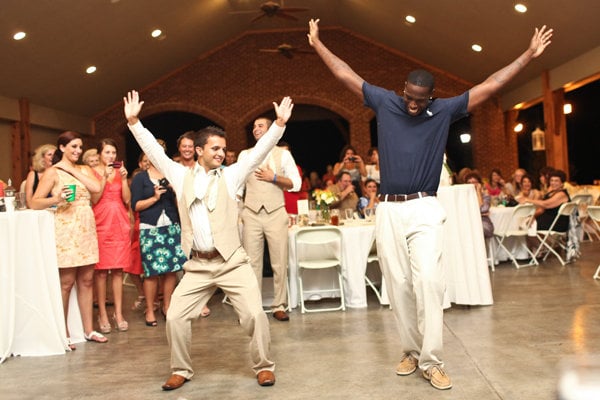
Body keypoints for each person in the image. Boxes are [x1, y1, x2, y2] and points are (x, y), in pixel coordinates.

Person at [308, 18, 552, 390]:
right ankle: (410, 350)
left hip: (424, 207)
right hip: (388, 208)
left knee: (429, 280)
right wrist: (318, 45)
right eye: (408, 96)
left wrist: (529, 55)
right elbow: (346, 75)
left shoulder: (444, 111)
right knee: (398, 284)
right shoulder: (386, 101)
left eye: (419, 100)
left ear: (431, 98)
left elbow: (491, 84)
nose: (411, 104)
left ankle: (432, 360)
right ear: (401, 90)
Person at [124, 90, 293, 391]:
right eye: (215, 148)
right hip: (198, 265)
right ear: (199, 150)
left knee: (255, 314)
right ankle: (180, 369)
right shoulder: (179, 175)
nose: (221, 153)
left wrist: (279, 124)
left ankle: (264, 366)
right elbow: (154, 152)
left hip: (231, 262)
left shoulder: (232, 175)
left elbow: (257, 153)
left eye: (223, 148)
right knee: (175, 317)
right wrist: (135, 121)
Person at [30, 131, 107, 347]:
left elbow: (96, 190)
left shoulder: (83, 169)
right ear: (62, 148)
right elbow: (34, 202)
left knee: (87, 280)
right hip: (65, 226)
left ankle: (88, 330)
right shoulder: (52, 172)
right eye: (73, 147)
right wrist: (56, 198)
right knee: (66, 282)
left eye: (80, 147)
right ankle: (62, 334)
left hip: (86, 226)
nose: (78, 151)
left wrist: (70, 169)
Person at [238, 122, 301, 322]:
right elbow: (238, 186)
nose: (256, 128)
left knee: (279, 262)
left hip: (276, 212)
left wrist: (273, 177)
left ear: (271, 129)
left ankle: (279, 305)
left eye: (261, 125)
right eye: (254, 126)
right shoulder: (245, 155)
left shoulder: (283, 154)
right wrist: (238, 212)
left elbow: (295, 183)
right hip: (251, 213)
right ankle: (253, 308)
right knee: (251, 263)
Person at [130, 144, 185, 327]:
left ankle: (167, 306)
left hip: (171, 226)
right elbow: (135, 206)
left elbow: (182, 204)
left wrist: (175, 189)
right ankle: (150, 309)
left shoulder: (171, 175)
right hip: (149, 228)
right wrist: (154, 197)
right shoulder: (140, 178)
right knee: (151, 271)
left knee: (171, 270)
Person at [91, 139, 132, 334]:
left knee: (117, 270)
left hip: (119, 222)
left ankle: (118, 313)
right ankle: (102, 314)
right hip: (100, 221)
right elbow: (94, 198)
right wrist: (103, 178)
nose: (111, 156)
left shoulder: (119, 172)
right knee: (100, 272)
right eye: (107, 152)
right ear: (99, 154)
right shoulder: (91, 173)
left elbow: (126, 199)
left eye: (113, 152)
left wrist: (123, 179)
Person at [24, 143, 56, 208]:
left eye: (54, 155)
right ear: (42, 158)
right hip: (38, 211)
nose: (53, 157)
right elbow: (28, 200)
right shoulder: (33, 174)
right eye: (49, 154)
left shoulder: (60, 173)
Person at [465, 172, 494, 238]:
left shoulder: (485, 196)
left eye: (474, 182)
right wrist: (480, 214)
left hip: (484, 224)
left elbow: (483, 209)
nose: (472, 185)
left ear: (479, 184)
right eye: (469, 183)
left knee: (475, 230)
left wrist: (478, 192)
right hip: (470, 223)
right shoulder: (465, 197)